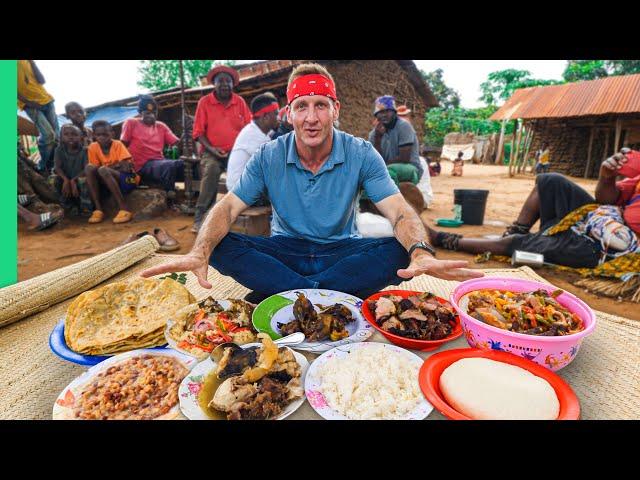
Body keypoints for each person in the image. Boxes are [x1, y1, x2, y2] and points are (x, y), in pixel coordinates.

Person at [141, 63, 482, 302]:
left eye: (321, 105)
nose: (312, 118)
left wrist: (420, 252)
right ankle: (331, 295)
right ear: (288, 114)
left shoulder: (361, 153)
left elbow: (399, 212)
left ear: (336, 109)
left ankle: (284, 295)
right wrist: (200, 250)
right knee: (220, 244)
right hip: (285, 251)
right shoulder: (269, 155)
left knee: (399, 249)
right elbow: (229, 206)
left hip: (342, 252)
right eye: (302, 106)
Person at [428, 148, 640, 269]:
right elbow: (607, 199)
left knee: (521, 244)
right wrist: (606, 176)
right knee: (550, 181)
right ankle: (516, 232)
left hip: (613, 246)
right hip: (601, 219)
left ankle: (444, 239)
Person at [191, 65, 252, 232]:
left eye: (228, 81)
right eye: (220, 81)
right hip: (212, 151)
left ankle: (240, 213)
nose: (224, 84)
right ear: (214, 84)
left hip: (235, 151)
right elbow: (198, 133)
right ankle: (200, 216)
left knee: (248, 171)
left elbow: (248, 128)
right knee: (211, 170)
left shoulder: (239, 102)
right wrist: (213, 149)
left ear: (233, 84)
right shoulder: (205, 102)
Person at [120, 95, 190, 202]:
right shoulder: (131, 123)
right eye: (147, 113)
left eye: (154, 113)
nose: (151, 116)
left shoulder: (161, 126)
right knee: (169, 166)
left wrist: (186, 132)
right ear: (140, 113)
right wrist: (125, 164)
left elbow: (177, 144)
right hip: (140, 166)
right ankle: (170, 194)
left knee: (182, 164)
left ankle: (180, 190)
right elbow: (122, 145)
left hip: (158, 162)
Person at [226, 92, 280, 192]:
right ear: (265, 117)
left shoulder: (254, 130)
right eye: (276, 114)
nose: (279, 118)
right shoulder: (254, 136)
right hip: (241, 192)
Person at [85, 120, 137, 224]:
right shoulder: (93, 147)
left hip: (128, 180)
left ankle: (124, 208)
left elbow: (126, 167)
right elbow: (94, 169)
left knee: (103, 169)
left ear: (112, 134)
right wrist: (116, 165)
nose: (102, 137)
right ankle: (98, 209)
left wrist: (106, 169)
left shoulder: (118, 144)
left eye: (105, 134)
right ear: (94, 135)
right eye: (98, 135)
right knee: (89, 168)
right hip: (109, 179)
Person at [368, 95, 424, 186]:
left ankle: (392, 198)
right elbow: (376, 160)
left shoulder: (404, 126)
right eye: (381, 112)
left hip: (410, 168)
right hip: (386, 168)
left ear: (394, 112)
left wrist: (381, 167)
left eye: (387, 111)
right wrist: (378, 138)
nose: (384, 115)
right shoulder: (374, 134)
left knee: (387, 173)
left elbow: (404, 158)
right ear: (376, 115)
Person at [18, 60, 59, 174]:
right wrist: (29, 103)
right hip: (30, 105)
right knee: (48, 134)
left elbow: (42, 80)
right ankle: (42, 166)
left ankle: (52, 167)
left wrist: (32, 63)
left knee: (56, 137)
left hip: (47, 100)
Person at [51, 125, 92, 215]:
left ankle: (86, 207)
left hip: (80, 179)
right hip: (66, 180)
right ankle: (68, 206)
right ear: (61, 137)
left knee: (83, 181)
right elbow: (57, 167)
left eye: (74, 134)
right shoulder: (59, 150)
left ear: (81, 137)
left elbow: (86, 169)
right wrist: (66, 180)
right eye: (66, 134)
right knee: (56, 180)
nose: (70, 137)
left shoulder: (85, 150)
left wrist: (73, 180)